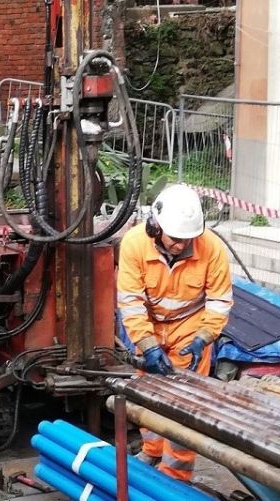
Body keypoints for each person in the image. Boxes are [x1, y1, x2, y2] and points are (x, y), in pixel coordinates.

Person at [116, 183, 233, 482]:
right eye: (176, 239)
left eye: (188, 239)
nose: (182, 245)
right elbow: (130, 303)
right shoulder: (133, 244)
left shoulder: (212, 248)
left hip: (189, 328)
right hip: (150, 326)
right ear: (155, 227)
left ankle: (177, 473)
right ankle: (153, 450)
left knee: (185, 402)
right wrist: (147, 344)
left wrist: (203, 338)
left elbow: (219, 301)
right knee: (150, 393)